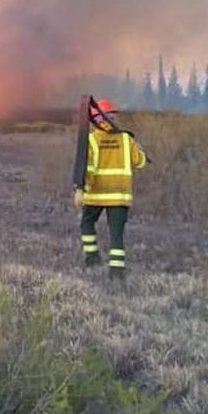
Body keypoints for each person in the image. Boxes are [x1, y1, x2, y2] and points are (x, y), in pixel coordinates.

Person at [74, 99, 147, 279]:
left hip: (96, 195)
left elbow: (88, 169)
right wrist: (140, 150)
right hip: (120, 196)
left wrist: (81, 190)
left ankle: (92, 259)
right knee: (117, 234)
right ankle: (116, 271)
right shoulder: (126, 139)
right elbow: (140, 162)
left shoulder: (92, 140)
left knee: (87, 223)